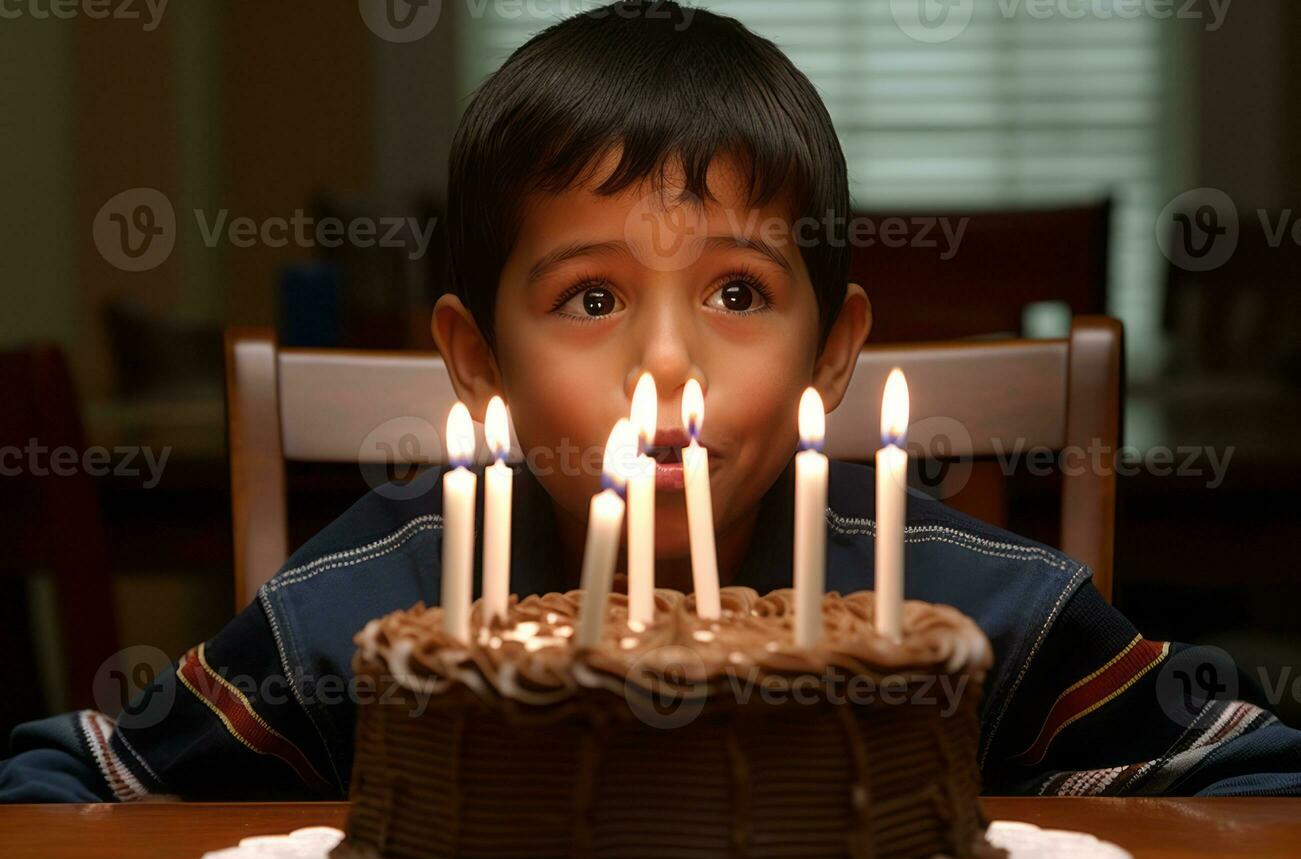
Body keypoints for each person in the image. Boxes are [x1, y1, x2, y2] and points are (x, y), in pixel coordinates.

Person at [3, 1, 1297, 803]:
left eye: (736, 293)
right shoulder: (360, 615)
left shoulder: (971, 613)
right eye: (588, 299)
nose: (666, 364)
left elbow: (1250, 770)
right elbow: (71, 779)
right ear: (474, 361)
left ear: (831, 353)